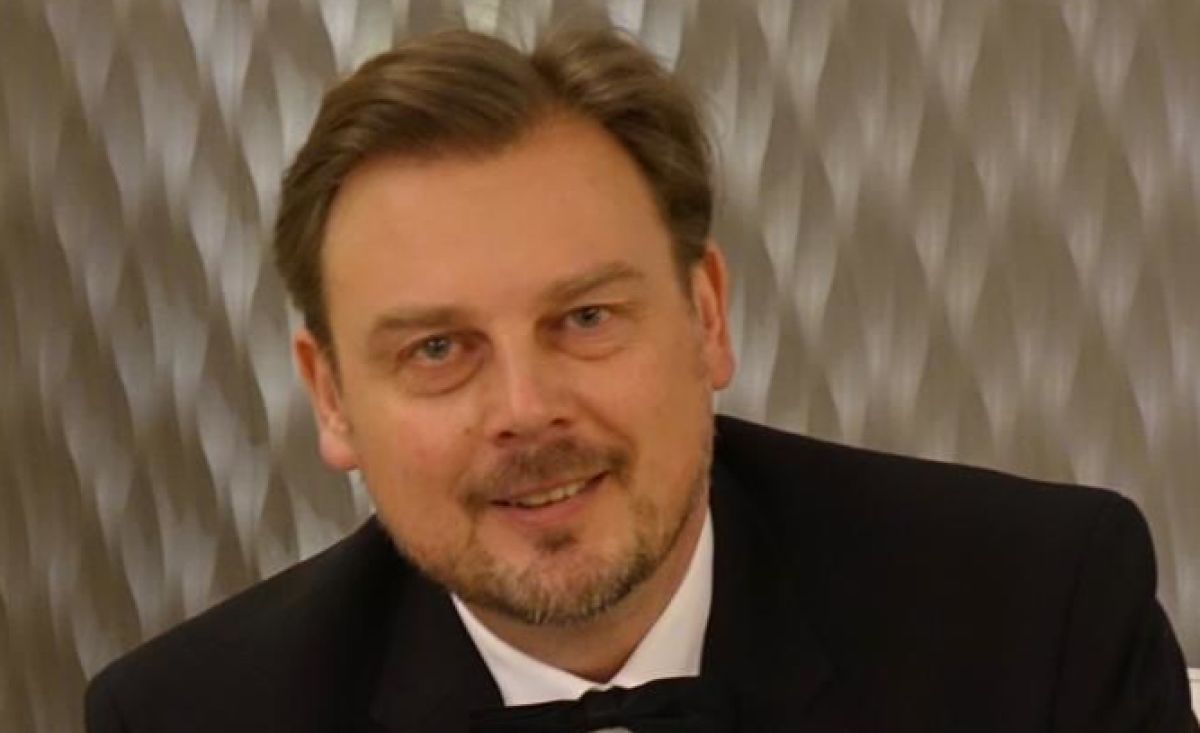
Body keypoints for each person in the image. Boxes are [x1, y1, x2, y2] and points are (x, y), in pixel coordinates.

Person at [85, 25, 1197, 733]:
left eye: (585, 318)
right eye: (437, 350)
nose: (526, 410)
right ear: (330, 398)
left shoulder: (1036, 614)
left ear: (706, 317)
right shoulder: (189, 717)